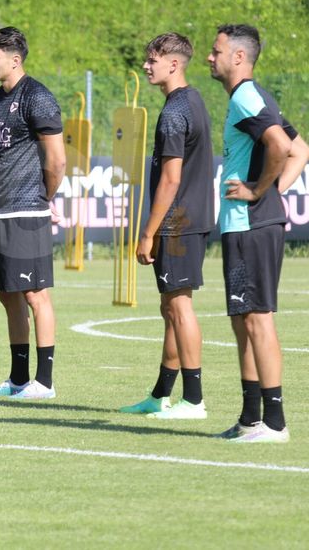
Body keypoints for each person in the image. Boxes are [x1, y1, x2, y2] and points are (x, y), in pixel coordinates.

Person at [208, 24, 309, 443]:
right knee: (243, 320)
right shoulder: (249, 98)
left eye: (216, 51)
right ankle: (251, 417)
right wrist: (274, 190)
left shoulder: (248, 96)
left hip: (252, 225)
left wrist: (258, 191)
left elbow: (281, 147)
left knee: (258, 319)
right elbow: (301, 149)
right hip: (244, 224)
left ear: (237, 58)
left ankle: (276, 423)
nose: (209, 58)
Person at [119, 33, 213, 418]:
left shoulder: (176, 111)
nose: (146, 65)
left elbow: (171, 180)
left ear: (173, 64)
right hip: (189, 221)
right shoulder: (192, 101)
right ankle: (161, 393)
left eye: (153, 59)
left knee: (179, 306)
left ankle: (194, 399)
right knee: (171, 307)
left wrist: (148, 233)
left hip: (178, 224)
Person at [0, 27, 66, 400]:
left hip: (27, 209)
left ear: (15, 60)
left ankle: (43, 383)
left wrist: (43, 199)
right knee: (8, 294)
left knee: (35, 294)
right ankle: (17, 380)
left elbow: (57, 159)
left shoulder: (38, 97)